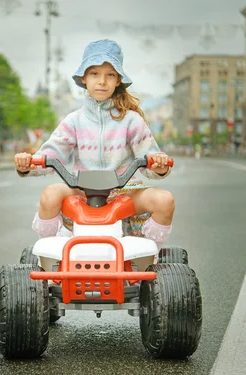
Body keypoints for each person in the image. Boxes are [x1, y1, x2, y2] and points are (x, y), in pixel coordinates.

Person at [14, 39, 175, 254]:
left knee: (165, 200)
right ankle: (49, 259)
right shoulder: (74, 120)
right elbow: (51, 153)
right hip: (81, 188)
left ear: (118, 80)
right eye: (94, 74)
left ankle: (147, 258)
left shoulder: (131, 120)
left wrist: (159, 164)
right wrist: (28, 164)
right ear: (84, 78)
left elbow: (150, 158)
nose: (102, 81)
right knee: (50, 194)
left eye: (110, 75)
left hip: (123, 189)